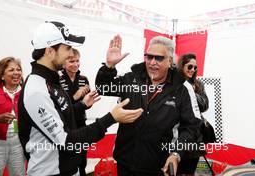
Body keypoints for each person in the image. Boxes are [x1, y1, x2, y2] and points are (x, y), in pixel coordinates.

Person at [18, 21, 143, 176]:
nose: (71, 54)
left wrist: (82, 105)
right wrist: (111, 118)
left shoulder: (50, 80)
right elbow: (67, 141)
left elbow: (62, 116)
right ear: (50, 51)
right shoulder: (37, 90)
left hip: (68, 169)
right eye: (68, 48)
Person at [95, 35, 202, 176]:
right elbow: (103, 88)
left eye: (158, 58)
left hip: (159, 166)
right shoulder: (131, 78)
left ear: (170, 61)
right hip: (125, 162)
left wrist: (176, 153)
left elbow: (191, 127)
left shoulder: (182, 88)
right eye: (149, 57)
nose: (152, 62)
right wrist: (109, 67)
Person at [176, 53, 209, 175]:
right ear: (182, 66)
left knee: (190, 170)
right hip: (177, 134)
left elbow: (205, 105)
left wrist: (191, 93)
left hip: (195, 136)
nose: (193, 70)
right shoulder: (174, 83)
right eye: (190, 67)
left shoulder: (198, 84)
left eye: (195, 67)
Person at [59, 48, 90, 176]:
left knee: (82, 159)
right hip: (64, 125)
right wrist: (75, 97)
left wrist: (88, 101)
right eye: (71, 61)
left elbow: (87, 104)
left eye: (77, 61)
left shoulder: (84, 79)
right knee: (68, 158)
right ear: (63, 63)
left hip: (81, 123)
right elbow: (59, 105)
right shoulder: (58, 79)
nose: (76, 64)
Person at [0, 57, 26, 175]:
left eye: (18, 69)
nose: (16, 73)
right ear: (2, 76)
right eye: (11, 70)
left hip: (18, 143)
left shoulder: (27, 92)